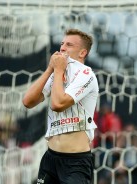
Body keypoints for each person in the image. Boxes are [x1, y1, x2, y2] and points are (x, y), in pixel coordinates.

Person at [22, 28, 99, 184]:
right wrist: (51, 68)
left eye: (69, 45)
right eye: (62, 43)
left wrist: (57, 70)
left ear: (82, 53)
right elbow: (28, 101)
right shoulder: (57, 72)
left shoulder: (86, 75)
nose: (62, 48)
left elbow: (58, 104)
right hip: (50, 159)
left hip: (75, 163)